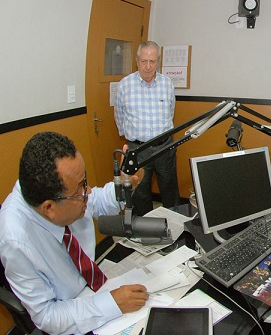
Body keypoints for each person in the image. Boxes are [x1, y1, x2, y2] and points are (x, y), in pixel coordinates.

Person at [0, 132, 149, 335]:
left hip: (95, 286)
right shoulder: (15, 241)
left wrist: (125, 185)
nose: (87, 192)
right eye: (80, 188)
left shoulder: (54, 192)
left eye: (84, 181)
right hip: (70, 310)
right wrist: (112, 303)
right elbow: (47, 316)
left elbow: (96, 200)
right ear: (49, 208)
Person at [114, 41, 180, 215]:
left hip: (165, 147)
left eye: (152, 61)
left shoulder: (167, 84)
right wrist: (132, 138)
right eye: (144, 61)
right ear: (137, 61)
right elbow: (119, 116)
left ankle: (174, 230)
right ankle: (146, 232)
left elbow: (171, 111)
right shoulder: (125, 85)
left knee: (170, 191)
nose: (148, 67)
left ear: (157, 61)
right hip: (138, 149)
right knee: (140, 193)